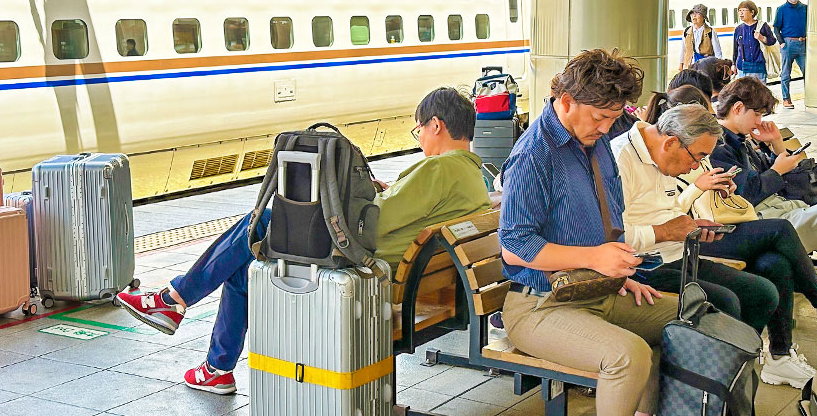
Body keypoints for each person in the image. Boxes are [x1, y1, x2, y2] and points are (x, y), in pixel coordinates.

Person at [115, 87, 491, 394]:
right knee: (244, 259)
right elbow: (408, 210)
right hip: (423, 280)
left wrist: (364, 197)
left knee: (261, 222)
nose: (420, 137)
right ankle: (214, 365)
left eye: (420, 129)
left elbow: (377, 220)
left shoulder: (438, 168)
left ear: (437, 125)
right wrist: (389, 192)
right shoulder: (473, 174)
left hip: (370, 271)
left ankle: (176, 301)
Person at [500, 48, 676, 416]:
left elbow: (609, 219)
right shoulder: (534, 154)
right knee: (628, 356)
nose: (606, 128)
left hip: (593, 289)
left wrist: (617, 270)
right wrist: (595, 258)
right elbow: (514, 247)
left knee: (686, 317)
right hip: (539, 304)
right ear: (566, 101)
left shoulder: (594, 144)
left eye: (614, 118)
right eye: (599, 117)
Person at [612, 101, 817, 388]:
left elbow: (670, 213)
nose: (696, 166)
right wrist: (665, 231)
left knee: (765, 289)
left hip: (679, 253)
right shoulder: (620, 160)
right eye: (696, 158)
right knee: (728, 300)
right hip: (643, 266)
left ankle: (734, 376)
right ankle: (713, 383)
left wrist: (692, 228)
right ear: (671, 142)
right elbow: (610, 236)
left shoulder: (665, 156)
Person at [710, 76, 817, 254]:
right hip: (767, 221)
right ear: (737, 108)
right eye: (757, 114)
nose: (759, 121)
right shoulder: (718, 146)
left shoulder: (739, 139)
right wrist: (777, 170)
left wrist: (776, 143)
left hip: (782, 211)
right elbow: (746, 194)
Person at [774, 0, 808, 109]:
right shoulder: (781, 9)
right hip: (788, 44)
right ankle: (786, 99)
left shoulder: (805, 8)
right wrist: (782, 42)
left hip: (803, 43)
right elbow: (776, 27)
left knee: (808, 72)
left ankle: (810, 96)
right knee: (786, 73)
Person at [732, 0, 778, 85]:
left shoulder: (762, 26)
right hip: (742, 67)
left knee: (760, 94)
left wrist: (762, 38)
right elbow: (735, 48)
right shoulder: (738, 29)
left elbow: (772, 41)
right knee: (744, 94)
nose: (740, 13)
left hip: (758, 67)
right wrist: (734, 64)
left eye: (743, 10)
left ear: (752, 12)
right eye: (739, 11)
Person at [679, 4, 723, 70]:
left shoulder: (710, 32)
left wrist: (719, 66)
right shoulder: (686, 32)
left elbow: (717, 52)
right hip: (690, 66)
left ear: (703, 17)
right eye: (692, 13)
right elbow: (683, 49)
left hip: (706, 67)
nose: (694, 16)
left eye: (697, 13)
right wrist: (681, 64)